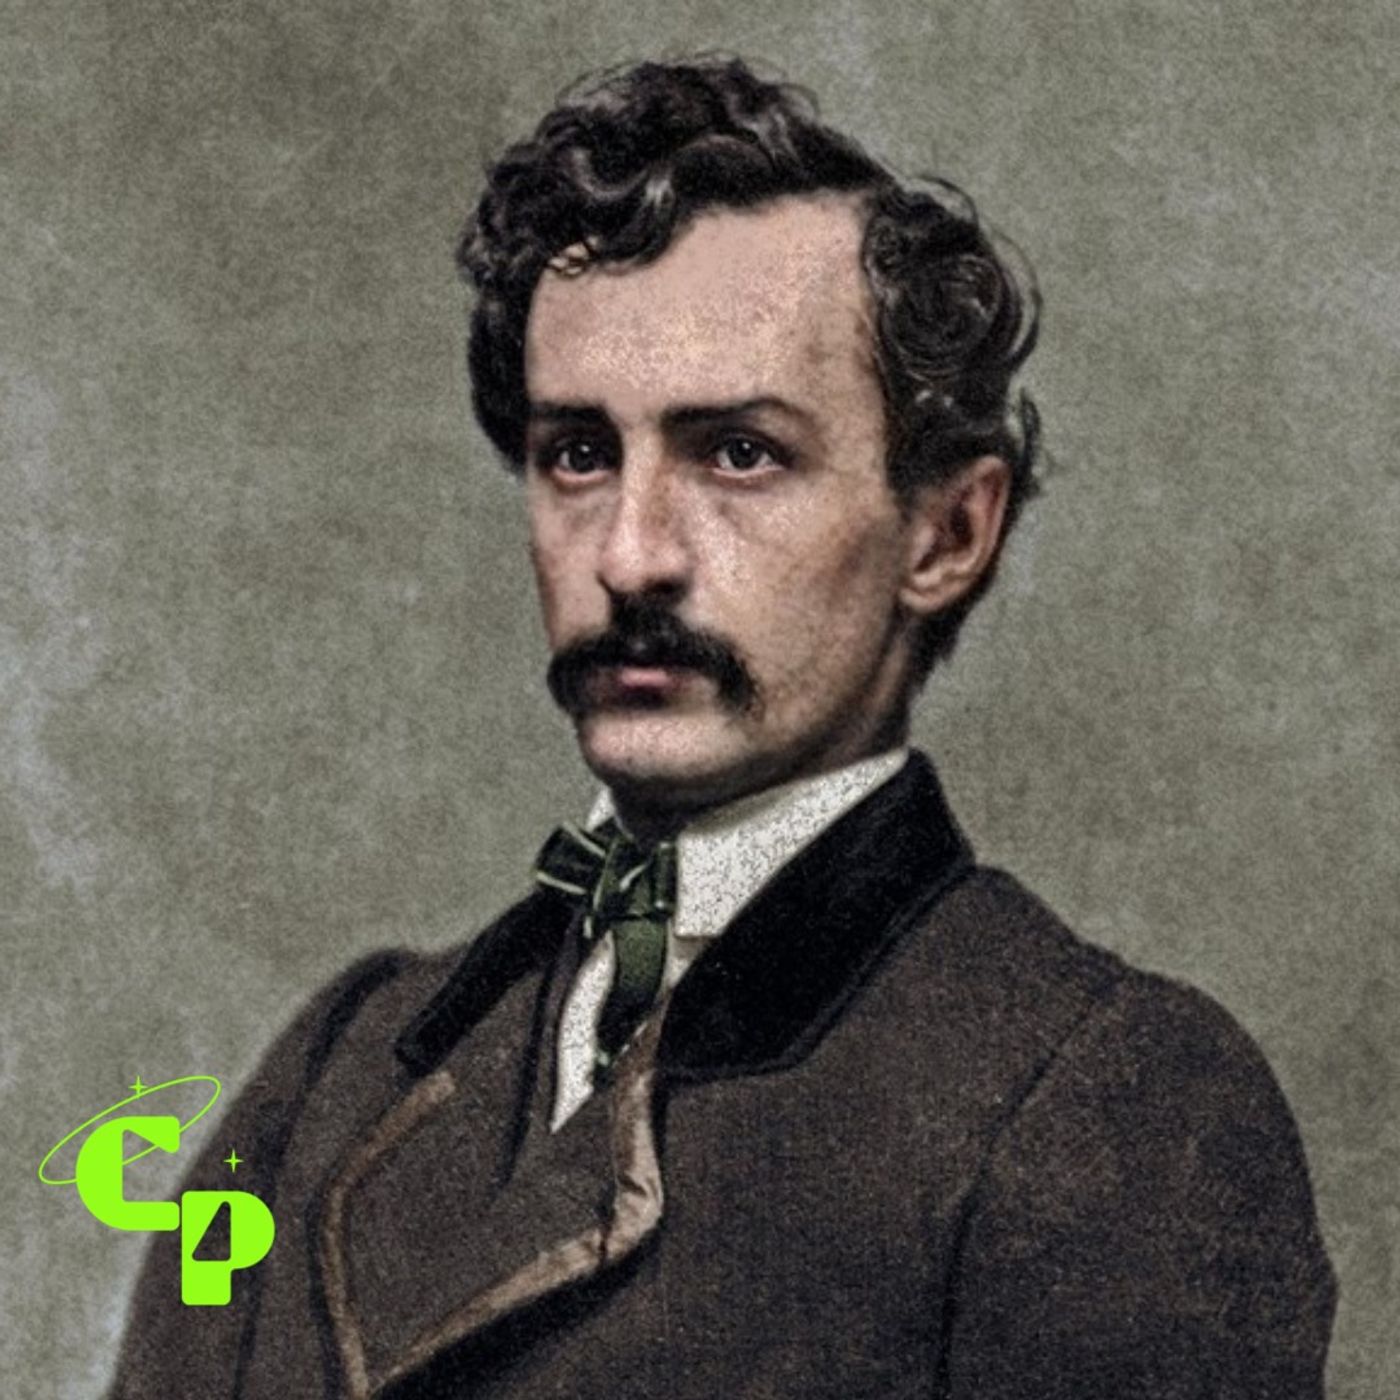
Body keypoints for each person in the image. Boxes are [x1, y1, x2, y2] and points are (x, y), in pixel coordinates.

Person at [110, 57, 1336, 1399]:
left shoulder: (1105, 1104)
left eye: (739, 453)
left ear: (947, 532)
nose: (631, 556)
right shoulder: (337, 1072)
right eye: (580, 454)